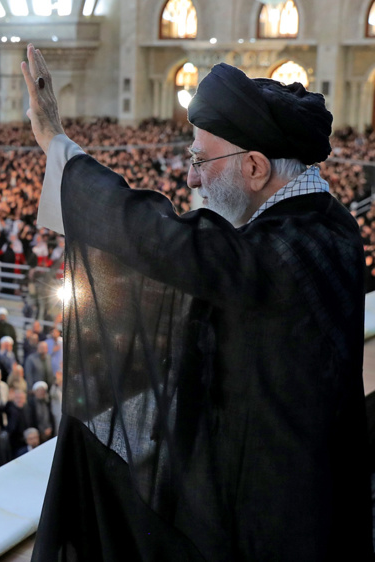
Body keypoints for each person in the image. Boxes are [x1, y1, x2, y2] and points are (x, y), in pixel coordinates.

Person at [22, 45, 370, 559]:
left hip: (281, 526)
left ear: (254, 166)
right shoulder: (331, 222)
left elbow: (161, 239)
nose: (190, 178)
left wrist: (56, 144)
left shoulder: (274, 255)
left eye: (201, 160)